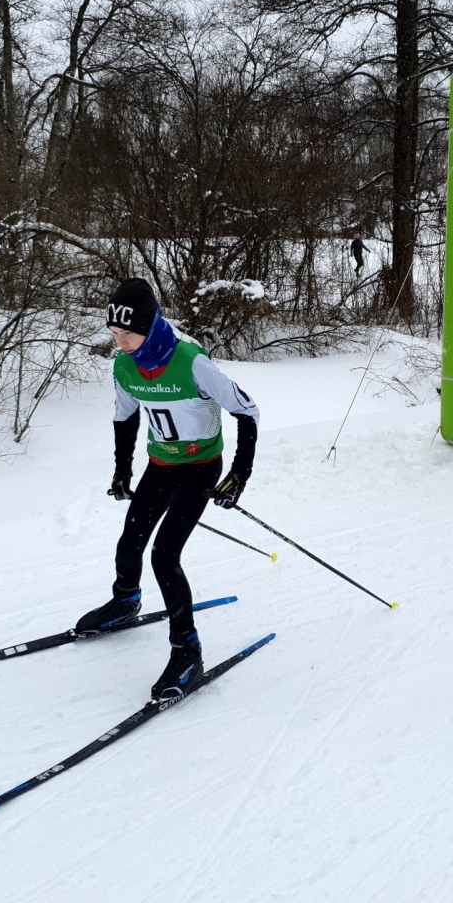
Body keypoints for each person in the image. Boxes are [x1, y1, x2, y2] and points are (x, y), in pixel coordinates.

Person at [78, 278, 261, 701]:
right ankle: (125, 602)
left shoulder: (191, 362)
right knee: (130, 540)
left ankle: (187, 650)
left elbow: (246, 410)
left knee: (164, 555)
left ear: (150, 325)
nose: (120, 342)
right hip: (160, 464)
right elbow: (126, 418)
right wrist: (122, 471)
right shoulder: (124, 366)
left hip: (199, 467)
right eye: (113, 334)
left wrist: (239, 474)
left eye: (127, 333)